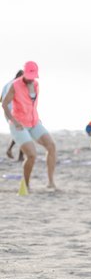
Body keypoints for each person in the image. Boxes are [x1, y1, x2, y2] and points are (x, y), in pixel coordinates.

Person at [1, 61, 57, 191]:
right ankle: (26, 185)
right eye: (28, 76)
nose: (30, 79)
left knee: (52, 146)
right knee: (32, 155)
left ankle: (51, 182)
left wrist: (37, 118)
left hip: (34, 122)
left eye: (33, 76)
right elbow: (4, 104)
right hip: (18, 124)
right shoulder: (15, 85)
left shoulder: (36, 84)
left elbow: (32, 104)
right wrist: (14, 121)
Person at [2, 70, 23, 161]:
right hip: (16, 112)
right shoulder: (17, 85)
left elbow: (1, 99)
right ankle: (20, 156)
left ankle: (10, 150)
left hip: (7, 112)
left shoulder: (6, 85)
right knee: (23, 132)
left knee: (20, 132)